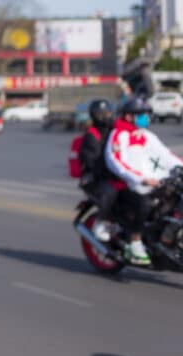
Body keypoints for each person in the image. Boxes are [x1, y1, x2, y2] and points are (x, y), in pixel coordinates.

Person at [105, 96, 183, 265]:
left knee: (176, 198)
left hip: (154, 182)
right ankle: (135, 242)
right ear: (129, 116)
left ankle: (167, 236)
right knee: (145, 205)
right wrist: (142, 179)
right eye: (141, 114)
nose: (146, 118)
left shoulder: (146, 135)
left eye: (146, 114)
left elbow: (165, 155)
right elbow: (116, 162)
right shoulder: (119, 135)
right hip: (130, 185)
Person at [77, 99, 117, 241]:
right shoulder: (91, 136)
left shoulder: (114, 131)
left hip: (115, 174)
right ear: (95, 116)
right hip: (95, 178)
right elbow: (92, 163)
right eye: (103, 114)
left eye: (108, 113)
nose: (107, 116)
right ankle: (101, 223)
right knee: (110, 192)